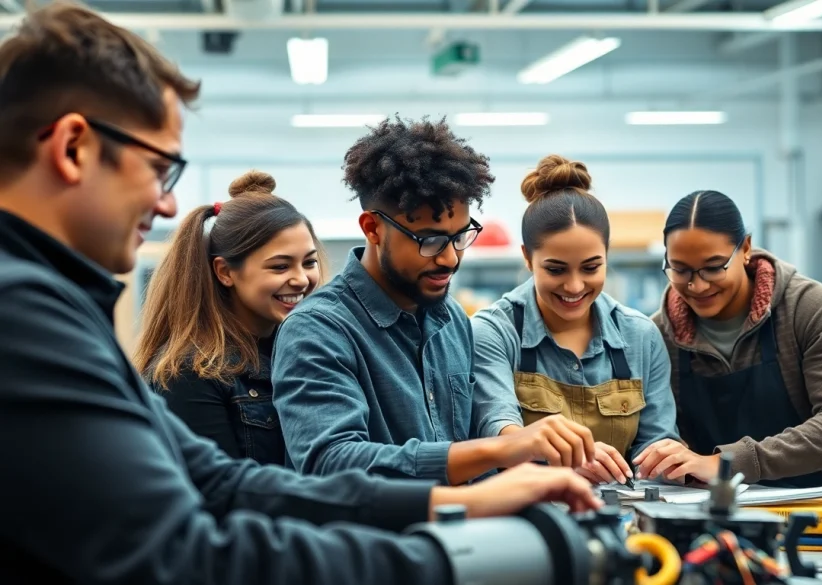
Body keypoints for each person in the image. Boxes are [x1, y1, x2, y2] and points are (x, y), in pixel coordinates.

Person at [0, 5, 602, 584]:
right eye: (161, 170)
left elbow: (225, 483)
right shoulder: (22, 316)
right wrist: (453, 560)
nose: (166, 205)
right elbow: (185, 556)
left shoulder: (54, 306)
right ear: (73, 147)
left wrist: (452, 504)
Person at [272, 117, 599, 485]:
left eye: (460, 236)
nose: (450, 259)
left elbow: (468, 453)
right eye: (429, 240)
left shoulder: (452, 322)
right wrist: (498, 449)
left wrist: (544, 458)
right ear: (373, 228)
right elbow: (331, 462)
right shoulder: (316, 330)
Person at [636, 190, 822, 497]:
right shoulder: (659, 337)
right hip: (718, 513)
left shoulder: (807, 308)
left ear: (745, 248)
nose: (697, 285)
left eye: (713, 266)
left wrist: (728, 463)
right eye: (680, 270)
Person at [470, 155, 680, 486]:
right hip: (526, 512)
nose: (575, 286)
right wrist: (565, 462)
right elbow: (500, 429)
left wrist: (664, 461)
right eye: (555, 269)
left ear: (607, 256)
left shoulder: (641, 336)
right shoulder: (494, 332)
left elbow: (656, 445)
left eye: (591, 267)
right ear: (527, 258)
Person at [133, 170, 323, 465]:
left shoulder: (308, 352)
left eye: (308, 262)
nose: (301, 279)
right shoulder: (191, 372)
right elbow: (219, 493)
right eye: (280, 267)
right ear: (225, 272)